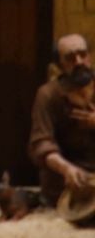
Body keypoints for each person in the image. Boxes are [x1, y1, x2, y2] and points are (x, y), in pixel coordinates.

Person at [28, 34, 95, 206]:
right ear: (60, 65)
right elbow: (42, 144)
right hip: (69, 179)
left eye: (83, 54)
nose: (79, 61)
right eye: (70, 58)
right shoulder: (48, 95)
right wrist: (66, 169)